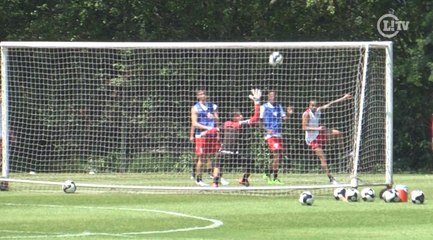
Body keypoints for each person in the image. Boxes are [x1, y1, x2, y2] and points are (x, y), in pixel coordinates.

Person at [212, 89, 261, 188]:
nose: (242, 116)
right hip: (232, 154)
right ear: (234, 117)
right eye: (239, 115)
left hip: (227, 153)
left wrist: (205, 132)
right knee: (250, 162)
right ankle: (243, 179)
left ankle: (215, 183)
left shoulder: (225, 124)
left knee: (218, 162)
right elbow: (255, 118)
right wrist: (257, 102)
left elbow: (215, 130)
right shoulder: (238, 124)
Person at [302, 94, 352, 184]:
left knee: (338, 133)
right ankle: (331, 179)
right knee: (323, 158)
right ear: (309, 106)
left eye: (315, 105)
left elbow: (331, 103)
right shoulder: (306, 114)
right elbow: (304, 127)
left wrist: (343, 98)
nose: (314, 107)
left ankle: (344, 153)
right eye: (312, 105)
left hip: (319, 133)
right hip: (312, 139)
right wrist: (318, 128)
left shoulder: (318, 110)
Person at [191, 89, 223, 186]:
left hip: (212, 135)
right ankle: (198, 179)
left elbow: (217, 121)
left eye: (204, 93)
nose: (203, 95)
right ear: (198, 96)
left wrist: (217, 130)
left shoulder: (212, 106)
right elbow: (194, 123)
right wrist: (207, 128)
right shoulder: (195, 108)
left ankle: (217, 177)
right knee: (202, 157)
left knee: (218, 155)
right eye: (201, 94)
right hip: (202, 135)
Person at [260, 90, 293, 185]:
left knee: (279, 157)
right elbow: (259, 122)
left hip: (278, 134)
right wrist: (266, 129)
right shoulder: (264, 107)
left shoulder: (279, 107)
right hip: (270, 136)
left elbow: (285, 120)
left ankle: (267, 173)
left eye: (275, 96)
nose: (273, 97)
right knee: (277, 155)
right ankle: (274, 178)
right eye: (271, 96)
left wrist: (289, 114)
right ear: (268, 97)